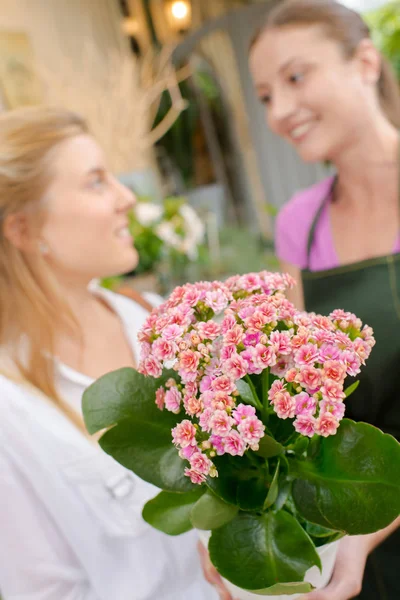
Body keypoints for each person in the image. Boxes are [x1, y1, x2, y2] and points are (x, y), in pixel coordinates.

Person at [204, 1, 400, 599]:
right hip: (361, 527)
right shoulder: (300, 224)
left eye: (296, 77)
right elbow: (289, 390)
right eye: (265, 95)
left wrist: (370, 526)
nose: (281, 111)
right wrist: (243, 522)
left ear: (366, 61)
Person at [0, 105, 218, 600]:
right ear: (24, 231)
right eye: (96, 182)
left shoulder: (160, 320)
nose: (126, 198)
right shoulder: (11, 410)